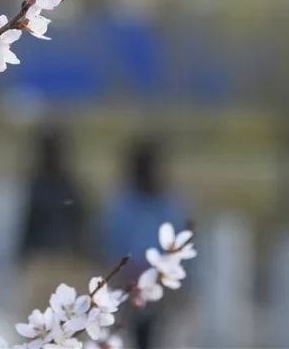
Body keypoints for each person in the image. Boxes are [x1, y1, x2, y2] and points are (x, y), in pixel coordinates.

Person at [102, 138, 188, 349]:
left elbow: (179, 243)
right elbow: (109, 240)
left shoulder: (169, 203)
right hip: (127, 281)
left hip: (160, 283)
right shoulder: (121, 203)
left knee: (158, 336)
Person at [19, 127, 90, 309]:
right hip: (40, 259)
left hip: (64, 259)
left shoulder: (69, 186)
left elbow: (79, 221)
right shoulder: (31, 185)